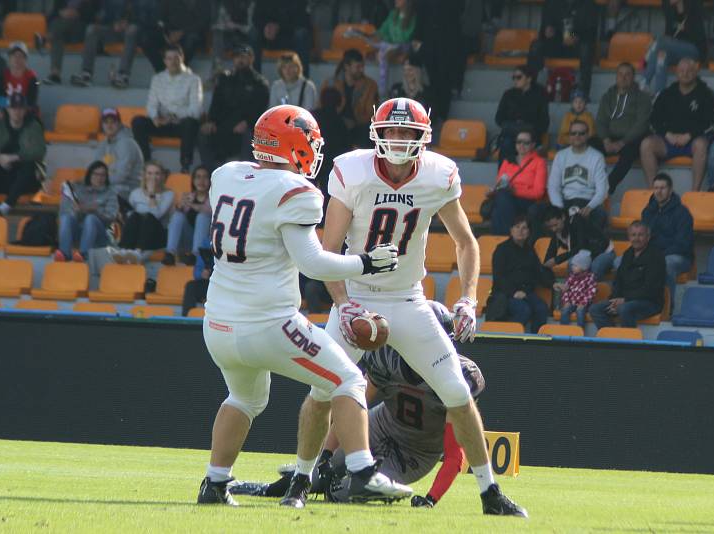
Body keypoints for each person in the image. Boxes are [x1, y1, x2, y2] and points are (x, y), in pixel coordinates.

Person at [302, 96, 526, 517]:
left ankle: (489, 493)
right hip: (355, 295)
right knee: (321, 392)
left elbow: (466, 242)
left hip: (407, 299)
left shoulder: (438, 175)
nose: (400, 140)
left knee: (458, 393)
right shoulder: (353, 170)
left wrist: (468, 299)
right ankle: (300, 477)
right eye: (393, 131)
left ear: (422, 137)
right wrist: (344, 304)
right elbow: (328, 250)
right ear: (377, 133)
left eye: (408, 132)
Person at [196, 104, 410, 507]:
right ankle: (363, 473)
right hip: (268, 324)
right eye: (309, 141)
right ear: (293, 144)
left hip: (218, 324)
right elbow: (312, 262)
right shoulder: (296, 192)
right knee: (347, 380)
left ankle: (214, 483)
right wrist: (366, 262)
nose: (314, 149)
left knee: (244, 399)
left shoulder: (225, 175)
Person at [230, 302, 485, 508]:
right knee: (318, 476)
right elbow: (354, 405)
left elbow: (454, 455)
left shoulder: (460, 376)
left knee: (341, 492)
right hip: (380, 425)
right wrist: (326, 456)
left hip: (416, 453)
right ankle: (269, 489)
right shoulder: (387, 358)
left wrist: (431, 499)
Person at [640, 58, 714, 191]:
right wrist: (667, 134)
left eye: (689, 71)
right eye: (681, 71)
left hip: (693, 142)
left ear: (696, 72)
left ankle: (694, 192)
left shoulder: (706, 94)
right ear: (676, 73)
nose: (685, 73)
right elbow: (653, 120)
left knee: (701, 145)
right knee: (646, 144)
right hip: (668, 141)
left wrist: (689, 135)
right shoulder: (666, 93)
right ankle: (654, 191)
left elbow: (711, 122)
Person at [132, 45, 203, 173]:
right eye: (169, 58)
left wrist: (173, 116)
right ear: (165, 61)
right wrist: (155, 118)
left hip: (181, 124)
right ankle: (146, 162)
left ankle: (185, 165)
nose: (173, 61)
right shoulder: (158, 79)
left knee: (190, 123)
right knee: (137, 122)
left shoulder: (193, 80)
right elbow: (151, 105)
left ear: (182, 58)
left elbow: (196, 110)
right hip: (162, 123)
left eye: (176, 57)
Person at [198, 44, 268, 172]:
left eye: (243, 56)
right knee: (204, 133)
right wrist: (211, 121)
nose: (239, 60)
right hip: (224, 126)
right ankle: (211, 173)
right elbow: (215, 105)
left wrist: (247, 122)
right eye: (236, 57)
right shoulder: (225, 79)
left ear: (251, 58)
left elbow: (261, 112)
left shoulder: (260, 83)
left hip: (246, 128)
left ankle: (244, 174)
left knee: (250, 135)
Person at [590, 221, 666, 328]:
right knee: (596, 309)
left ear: (648, 237)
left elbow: (650, 289)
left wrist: (625, 300)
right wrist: (615, 300)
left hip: (649, 302)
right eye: (633, 235)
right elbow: (618, 280)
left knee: (625, 309)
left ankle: (628, 342)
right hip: (626, 300)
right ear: (629, 237)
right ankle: (611, 339)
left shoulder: (656, 256)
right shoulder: (628, 254)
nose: (636, 239)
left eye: (640, 235)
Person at [488, 215, 554, 333]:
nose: (520, 231)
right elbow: (499, 277)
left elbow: (538, 272)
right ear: (511, 230)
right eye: (517, 227)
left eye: (524, 228)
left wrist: (553, 284)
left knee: (541, 308)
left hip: (527, 292)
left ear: (529, 232)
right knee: (523, 310)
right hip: (506, 294)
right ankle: (510, 341)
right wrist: (514, 292)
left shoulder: (530, 251)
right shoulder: (502, 249)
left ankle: (535, 342)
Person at [594, 62, 652, 195]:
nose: (623, 77)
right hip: (610, 138)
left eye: (628, 74)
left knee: (630, 152)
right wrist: (606, 140)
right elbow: (601, 121)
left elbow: (642, 124)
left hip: (631, 140)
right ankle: (591, 183)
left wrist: (623, 142)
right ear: (616, 77)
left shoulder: (642, 98)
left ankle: (608, 186)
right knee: (590, 146)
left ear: (633, 77)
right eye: (620, 74)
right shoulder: (607, 97)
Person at [640, 173, 694, 308]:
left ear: (670, 190)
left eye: (662, 188)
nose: (658, 191)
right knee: (620, 261)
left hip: (679, 257)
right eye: (656, 188)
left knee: (667, 263)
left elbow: (683, 244)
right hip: (653, 254)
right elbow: (643, 238)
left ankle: (667, 307)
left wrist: (658, 254)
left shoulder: (682, 213)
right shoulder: (647, 212)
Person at [547, 120, 608, 229]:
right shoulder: (560, 156)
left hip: (587, 202)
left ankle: (589, 246)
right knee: (536, 211)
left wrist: (590, 207)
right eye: (573, 133)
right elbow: (553, 186)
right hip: (565, 202)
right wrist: (559, 208)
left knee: (600, 215)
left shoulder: (597, 157)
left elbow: (602, 190)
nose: (577, 136)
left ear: (588, 135)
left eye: (581, 133)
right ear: (569, 136)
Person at [529, 0, 597, 98]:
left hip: (577, 46)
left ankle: (583, 93)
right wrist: (547, 32)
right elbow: (543, 32)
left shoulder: (588, 4)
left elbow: (591, 34)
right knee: (536, 45)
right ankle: (530, 87)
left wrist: (574, 36)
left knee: (586, 48)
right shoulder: (551, 3)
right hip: (556, 43)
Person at [0, 93, 46, 215]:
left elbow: (39, 151)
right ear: (7, 109)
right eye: (13, 108)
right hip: (3, 177)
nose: (17, 112)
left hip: (26, 182)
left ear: (26, 110)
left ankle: (7, 205)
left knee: (30, 165)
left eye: (20, 108)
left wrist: (12, 157)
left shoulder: (33, 126)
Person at [112, 161, 175, 264]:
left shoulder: (169, 194)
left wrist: (152, 193)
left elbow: (156, 215)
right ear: (144, 175)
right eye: (149, 173)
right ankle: (124, 250)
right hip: (137, 234)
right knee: (135, 215)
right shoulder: (136, 193)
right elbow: (130, 217)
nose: (153, 177)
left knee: (148, 217)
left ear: (163, 176)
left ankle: (138, 252)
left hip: (157, 235)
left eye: (157, 173)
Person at [56, 161, 118, 262]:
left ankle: (83, 255)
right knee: (66, 217)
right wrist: (78, 211)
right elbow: (64, 212)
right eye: (96, 174)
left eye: (103, 175)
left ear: (106, 177)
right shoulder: (78, 189)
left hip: (101, 234)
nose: (99, 178)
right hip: (79, 232)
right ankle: (64, 254)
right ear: (89, 174)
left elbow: (111, 217)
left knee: (91, 218)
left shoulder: (110, 193)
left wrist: (95, 211)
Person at [69, 0, 140, 88]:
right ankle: (86, 73)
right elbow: (103, 17)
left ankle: (123, 75)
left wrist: (128, 23)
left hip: (134, 31)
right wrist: (114, 23)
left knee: (132, 29)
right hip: (113, 29)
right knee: (92, 29)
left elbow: (146, 16)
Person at [490, 128, 547, 236]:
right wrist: (492, 192)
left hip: (527, 201)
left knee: (500, 204)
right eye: (519, 142)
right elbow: (499, 184)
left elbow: (538, 192)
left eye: (526, 143)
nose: (521, 145)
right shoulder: (507, 161)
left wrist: (514, 191)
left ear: (533, 145)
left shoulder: (539, 162)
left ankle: (505, 237)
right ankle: (507, 237)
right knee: (501, 200)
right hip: (507, 198)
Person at [642, 0, 706, 95]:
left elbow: (699, 36)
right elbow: (669, 36)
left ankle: (645, 81)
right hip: (675, 52)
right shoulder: (671, 11)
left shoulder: (694, 7)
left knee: (660, 42)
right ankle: (659, 94)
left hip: (694, 50)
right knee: (661, 56)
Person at [320, 48, 380, 148]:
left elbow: (370, 113)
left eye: (362, 66)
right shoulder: (330, 84)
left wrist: (354, 122)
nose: (361, 70)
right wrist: (341, 122)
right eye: (358, 67)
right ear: (346, 66)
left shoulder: (370, 85)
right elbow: (323, 109)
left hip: (359, 128)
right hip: (335, 127)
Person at [542, 206, 615, 281]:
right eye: (550, 227)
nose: (553, 229)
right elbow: (551, 252)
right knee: (572, 263)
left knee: (595, 266)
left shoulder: (577, 221)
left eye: (555, 225)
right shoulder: (557, 232)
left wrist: (557, 260)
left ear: (563, 217)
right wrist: (546, 264)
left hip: (603, 252)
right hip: (585, 254)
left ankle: (590, 290)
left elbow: (581, 247)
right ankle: (574, 290)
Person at [494, 65, 549, 164]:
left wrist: (529, 130)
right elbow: (499, 118)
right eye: (513, 77)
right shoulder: (508, 94)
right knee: (506, 144)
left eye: (519, 77)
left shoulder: (540, 94)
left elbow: (544, 121)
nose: (515, 80)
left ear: (529, 79)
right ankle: (503, 177)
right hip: (511, 135)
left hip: (532, 136)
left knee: (524, 145)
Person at [139, 0, 211, 74]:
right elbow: (159, 18)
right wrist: (166, 34)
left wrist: (182, 32)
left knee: (192, 39)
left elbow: (204, 21)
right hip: (169, 32)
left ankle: (180, 69)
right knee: (145, 39)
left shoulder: (203, 2)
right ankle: (162, 70)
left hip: (190, 33)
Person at [93, 107, 144, 211]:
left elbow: (121, 176)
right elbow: (94, 169)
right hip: (109, 185)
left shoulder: (126, 143)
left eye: (113, 122)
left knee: (104, 195)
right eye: (106, 122)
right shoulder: (103, 144)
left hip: (129, 188)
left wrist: (99, 182)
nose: (109, 125)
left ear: (120, 124)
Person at [40, 0, 99, 85]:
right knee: (58, 36)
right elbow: (51, 16)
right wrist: (61, 13)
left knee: (57, 32)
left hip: (82, 31)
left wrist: (77, 14)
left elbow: (95, 17)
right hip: (63, 32)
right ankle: (55, 74)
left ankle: (46, 38)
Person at [163, 166, 211, 266]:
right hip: (187, 239)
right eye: (198, 177)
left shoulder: (215, 197)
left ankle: (196, 255)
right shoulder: (187, 196)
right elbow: (172, 221)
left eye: (205, 177)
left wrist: (192, 205)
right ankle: (170, 253)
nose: (201, 181)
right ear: (193, 180)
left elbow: (209, 211)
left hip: (206, 242)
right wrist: (179, 207)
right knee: (178, 216)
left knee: (202, 217)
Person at [252, 1, 312, 76]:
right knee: (253, 33)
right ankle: (254, 79)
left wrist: (279, 27)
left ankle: (303, 81)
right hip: (268, 37)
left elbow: (303, 20)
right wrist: (265, 26)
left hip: (290, 37)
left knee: (301, 35)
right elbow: (256, 17)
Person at [311, 87, 351, 200]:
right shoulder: (341, 124)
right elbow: (346, 149)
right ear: (339, 103)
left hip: (311, 163)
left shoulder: (312, 117)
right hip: (331, 167)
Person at [211, 0, 255, 78]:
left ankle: (249, 76)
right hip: (229, 36)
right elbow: (217, 23)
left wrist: (235, 25)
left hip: (245, 37)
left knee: (248, 42)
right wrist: (222, 25)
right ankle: (216, 73)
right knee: (217, 34)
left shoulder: (250, 3)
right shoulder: (223, 3)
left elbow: (250, 28)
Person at [0, 42, 38, 118]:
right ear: (9, 58)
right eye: (14, 56)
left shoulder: (32, 78)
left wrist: (15, 111)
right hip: (3, 112)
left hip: (23, 113)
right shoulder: (1, 75)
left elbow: (31, 101)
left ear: (25, 60)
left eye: (21, 56)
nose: (17, 59)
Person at [556, 249, 597, 327]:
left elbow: (591, 293)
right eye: (572, 265)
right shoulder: (571, 277)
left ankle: (580, 331)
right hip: (572, 302)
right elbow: (565, 290)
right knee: (565, 310)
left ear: (584, 267)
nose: (572, 267)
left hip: (584, 304)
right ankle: (563, 330)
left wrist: (583, 303)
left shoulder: (590, 278)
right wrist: (567, 302)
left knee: (580, 310)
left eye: (575, 265)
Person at [181, 237, 213, 317]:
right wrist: (201, 274)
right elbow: (197, 272)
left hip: (223, 283)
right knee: (190, 285)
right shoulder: (207, 243)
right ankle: (186, 318)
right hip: (208, 283)